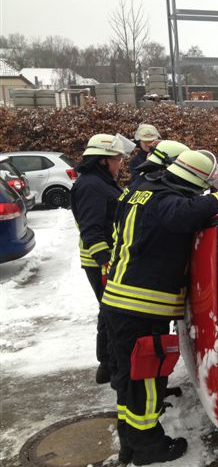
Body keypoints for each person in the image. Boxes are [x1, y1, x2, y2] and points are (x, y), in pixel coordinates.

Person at [102, 149, 218, 465]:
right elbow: (185, 213)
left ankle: (130, 439)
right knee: (148, 378)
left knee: (129, 377)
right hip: (142, 306)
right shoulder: (168, 201)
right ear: (193, 182)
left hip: (119, 300)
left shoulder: (142, 189)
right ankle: (148, 446)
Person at [70, 134, 128, 385]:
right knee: (111, 314)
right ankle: (111, 367)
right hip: (100, 262)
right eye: (117, 159)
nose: (120, 165)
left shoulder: (100, 182)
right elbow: (91, 229)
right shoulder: (91, 186)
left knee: (108, 312)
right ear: (103, 160)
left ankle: (107, 366)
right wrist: (105, 262)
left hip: (105, 259)